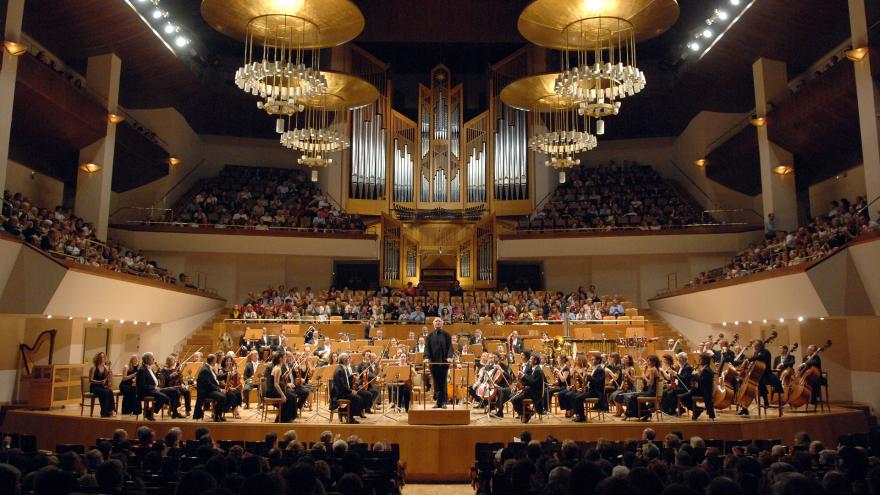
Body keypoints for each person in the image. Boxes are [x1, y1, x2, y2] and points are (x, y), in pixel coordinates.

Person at [137, 352, 179, 420]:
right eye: (152, 358)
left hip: (154, 389)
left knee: (175, 391)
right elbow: (142, 385)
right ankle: (149, 412)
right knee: (164, 397)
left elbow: (153, 379)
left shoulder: (149, 368)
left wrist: (158, 374)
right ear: (147, 360)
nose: (154, 359)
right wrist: (154, 387)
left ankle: (174, 412)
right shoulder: (142, 370)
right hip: (147, 391)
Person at [424, 317, 454, 408]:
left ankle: (444, 402)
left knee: (443, 382)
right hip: (433, 363)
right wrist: (426, 357)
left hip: (444, 363)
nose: (438, 323)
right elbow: (427, 348)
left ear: (442, 323)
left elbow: (450, 347)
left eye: (439, 321)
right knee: (436, 383)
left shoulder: (446, 335)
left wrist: (449, 357)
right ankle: (438, 402)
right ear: (433, 324)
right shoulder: (429, 336)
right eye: (436, 321)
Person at [193, 354, 228, 422]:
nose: (216, 361)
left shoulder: (209, 367)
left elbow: (216, 378)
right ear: (212, 361)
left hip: (210, 389)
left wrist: (227, 374)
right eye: (215, 360)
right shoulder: (205, 370)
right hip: (206, 392)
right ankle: (217, 416)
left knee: (227, 394)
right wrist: (220, 390)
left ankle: (219, 415)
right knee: (222, 397)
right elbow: (208, 385)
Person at [330, 353, 363, 423]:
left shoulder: (342, 368)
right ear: (344, 360)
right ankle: (349, 417)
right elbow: (342, 386)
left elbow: (346, 379)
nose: (349, 360)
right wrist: (351, 391)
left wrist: (352, 377)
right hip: (340, 394)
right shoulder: (340, 370)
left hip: (343, 391)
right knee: (357, 399)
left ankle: (345, 412)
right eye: (348, 359)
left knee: (358, 396)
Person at [266, 352, 298, 423]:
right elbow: (276, 384)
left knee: (292, 396)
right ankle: (281, 420)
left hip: (274, 390)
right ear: (281, 359)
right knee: (289, 398)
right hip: (272, 392)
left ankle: (289, 418)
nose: (286, 358)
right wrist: (282, 395)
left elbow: (278, 381)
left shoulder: (277, 367)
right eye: (285, 357)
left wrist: (283, 377)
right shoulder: (278, 369)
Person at [87, 352, 115, 417]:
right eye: (101, 357)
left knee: (110, 391)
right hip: (94, 387)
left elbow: (108, 379)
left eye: (103, 357)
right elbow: (90, 380)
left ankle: (110, 411)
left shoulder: (106, 368)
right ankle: (104, 412)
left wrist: (110, 374)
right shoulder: (93, 368)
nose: (102, 358)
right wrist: (99, 382)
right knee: (105, 392)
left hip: (102, 386)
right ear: (97, 358)